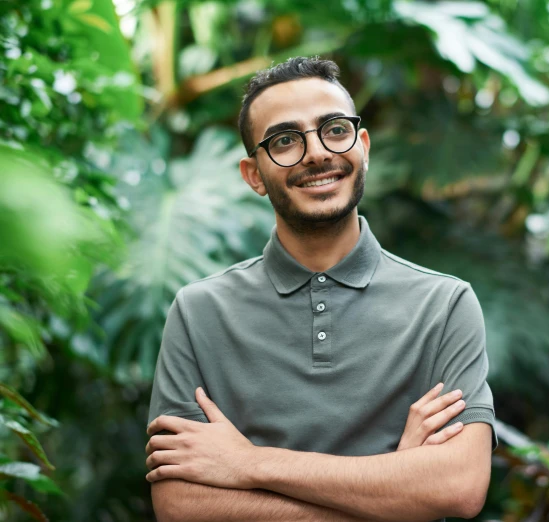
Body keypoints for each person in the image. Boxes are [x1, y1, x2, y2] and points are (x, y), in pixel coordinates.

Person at [144, 56, 497, 522]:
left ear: (362, 146)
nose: (316, 153)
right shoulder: (198, 312)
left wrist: (246, 463)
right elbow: (180, 505)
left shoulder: (445, 305)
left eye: (334, 129)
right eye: (286, 140)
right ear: (253, 175)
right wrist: (395, 487)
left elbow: (459, 485)